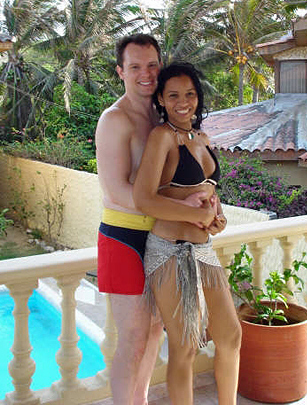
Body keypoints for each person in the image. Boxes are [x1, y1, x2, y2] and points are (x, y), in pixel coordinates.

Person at [96, 35, 210, 405]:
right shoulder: (115, 119)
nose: (145, 74)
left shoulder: (164, 118)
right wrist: (185, 211)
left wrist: (197, 208)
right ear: (120, 72)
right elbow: (116, 190)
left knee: (157, 329)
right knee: (132, 339)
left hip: (161, 238)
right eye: (135, 67)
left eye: (151, 65)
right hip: (124, 239)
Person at [133, 62, 242, 405]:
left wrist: (216, 216)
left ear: (199, 97)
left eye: (190, 94)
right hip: (168, 250)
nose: (184, 102)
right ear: (161, 100)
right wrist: (197, 214)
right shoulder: (161, 137)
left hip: (203, 248)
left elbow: (209, 190)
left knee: (231, 335)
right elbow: (144, 199)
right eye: (174, 95)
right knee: (184, 346)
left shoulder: (202, 138)